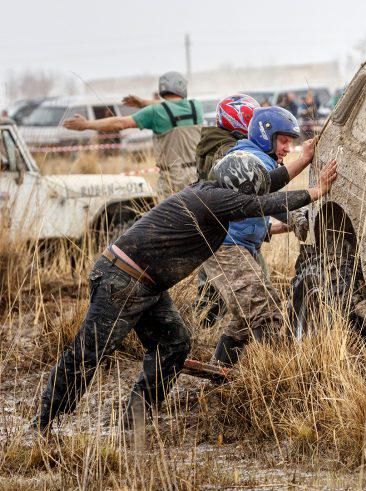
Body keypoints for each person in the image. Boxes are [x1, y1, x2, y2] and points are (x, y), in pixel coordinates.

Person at [32, 142, 338, 433]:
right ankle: (43, 422)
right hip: (122, 280)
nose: (250, 197)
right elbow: (264, 201)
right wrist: (317, 189)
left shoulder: (212, 190)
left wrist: (304, 158)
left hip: (146, 285)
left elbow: (265, 184)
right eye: (247, 193)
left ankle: (136, 416)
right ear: (236, 190)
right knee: (89, 353)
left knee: (175, 345)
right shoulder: (215, 199)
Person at [199, 106, 307, 367]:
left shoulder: (262, 159)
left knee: (244, 319)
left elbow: (265, 200)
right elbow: (267, 194)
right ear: (264, 134)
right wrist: (296, 213)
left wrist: (295, 218)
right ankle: (280, 376)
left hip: (241, 247)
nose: (287, 148)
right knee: (264, 310)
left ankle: (219, 370)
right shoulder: (250, 159)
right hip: (225, 246)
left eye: (291, 143)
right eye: (283, 141)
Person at [63, 72, 203, 195]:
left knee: (170, 222)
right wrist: (144, 102)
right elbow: (171, 105)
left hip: (172, 180)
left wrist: (87, 124)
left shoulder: (155, 112)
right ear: (181, 87)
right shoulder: (196, 106)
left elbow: (120, 123)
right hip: (197, 177)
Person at [193, 94, 261, 326]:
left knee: (211, 288)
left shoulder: (213, 142)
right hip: (227, 229)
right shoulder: (228, 150)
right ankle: (209, 333)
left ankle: (205, 329)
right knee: (252, 290)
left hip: (214, 224)